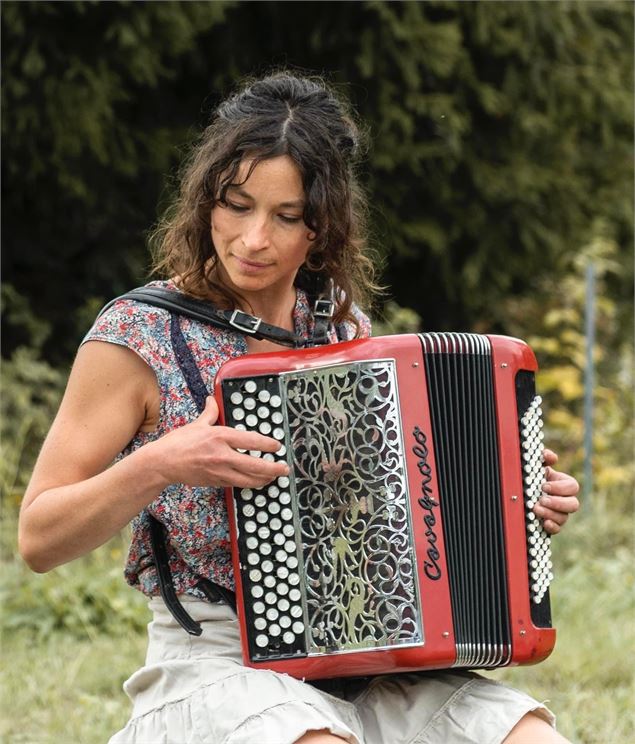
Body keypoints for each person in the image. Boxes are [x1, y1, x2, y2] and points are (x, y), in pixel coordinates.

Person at [19, 72, 580, 744]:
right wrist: (162, 463)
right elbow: (38, 540)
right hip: (215, 660)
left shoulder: (343, 336)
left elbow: (404, 507)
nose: (255, 238)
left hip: (366, 653)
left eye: (286, 217)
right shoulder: (138, 336)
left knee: (530, 738)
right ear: (206, 203)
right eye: (236, 205)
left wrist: (514, 495)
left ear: (322, 228)